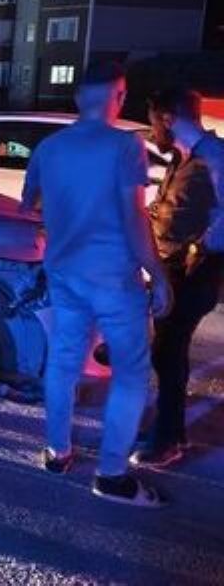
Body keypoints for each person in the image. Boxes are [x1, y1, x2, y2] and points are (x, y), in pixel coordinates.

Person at [20, 61, 172, 507]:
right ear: (118, 96)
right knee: (130, 373)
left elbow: (30, 205)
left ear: (77, 97)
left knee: (64, 360)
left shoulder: (49, 148)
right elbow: (133, 216)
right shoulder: (126, 146)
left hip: (65, 273)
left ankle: (57, 450)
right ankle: (111, 475)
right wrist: (159, 275)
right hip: (113, 279)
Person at [133, 87, 224, 468]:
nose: (152, 132)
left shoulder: (214, 158)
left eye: (155, 122)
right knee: (171, 351)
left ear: (170, 119)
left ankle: (167, 440)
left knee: (167, 351)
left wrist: (201, 250)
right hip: (174, 269)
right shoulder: (183, 157)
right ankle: (172, 433)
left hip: (196, 271)